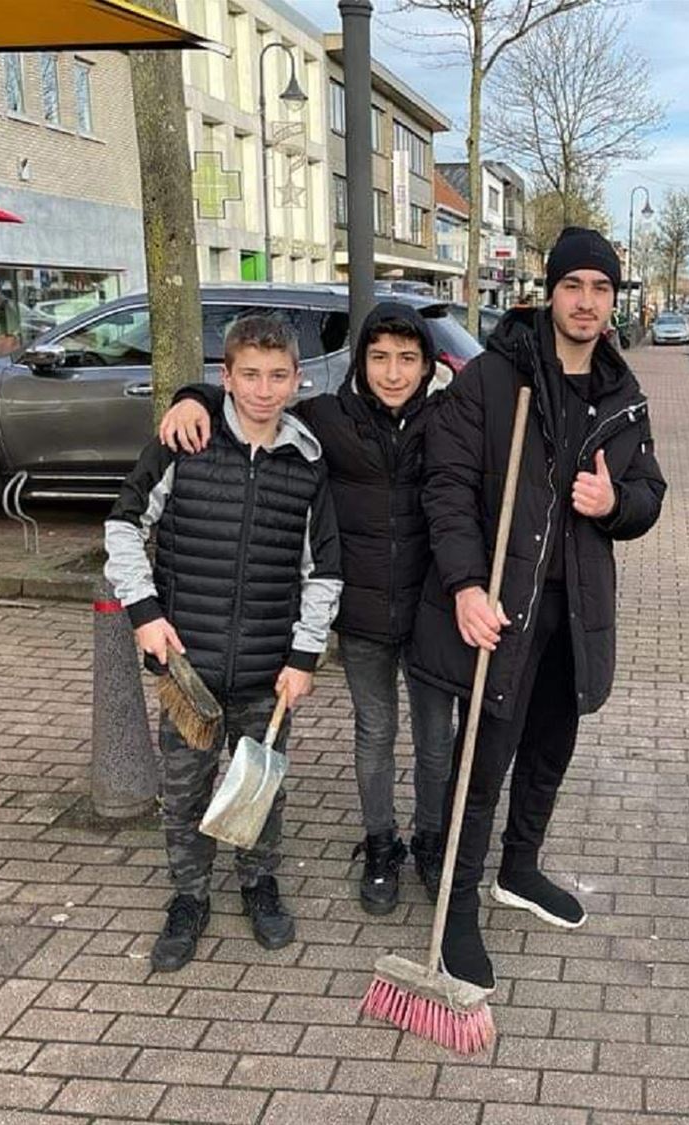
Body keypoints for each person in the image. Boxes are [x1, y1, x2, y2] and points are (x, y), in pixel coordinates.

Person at [410, 226, 667, 990]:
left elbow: (650, 493)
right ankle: (457, 902)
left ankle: (518, 869)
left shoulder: (623, 394)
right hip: (504, 606)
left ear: (613, 300)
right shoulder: (495, 379)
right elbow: (446, 486)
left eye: (601, 288)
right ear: (549, 293)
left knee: (551, 747)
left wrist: (616, 502)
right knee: (482, 761)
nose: (587, 301)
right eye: (573, 286)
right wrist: (464, 584)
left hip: (577, 613)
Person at [158, 303, 457, 916]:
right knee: (375, 732)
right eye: (379, 358)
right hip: (365, 615)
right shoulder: (326, 418)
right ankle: (381, 844)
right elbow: (256, 403)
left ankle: (432, 840)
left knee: (435, 739)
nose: (393, 373)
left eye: (407, 359)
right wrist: (192, 396)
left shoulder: (449, 420)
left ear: (428, 365)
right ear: (359, 362)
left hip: (433, 611)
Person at [104, 315, 343, 972]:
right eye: (250, 375)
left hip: (269, 672)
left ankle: (259, 883)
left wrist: (304, 656)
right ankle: (189, 895)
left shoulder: (307, 464)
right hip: (190, 670)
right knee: (185, 790)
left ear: (297, 379)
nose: (264, 390)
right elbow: (123, 526)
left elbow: (323, 571)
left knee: (260, 786)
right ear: (226, 377)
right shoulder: (186, 442)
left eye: (277, 376)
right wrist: (144, 613)